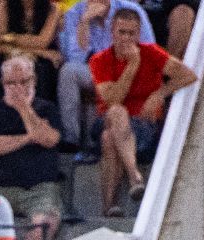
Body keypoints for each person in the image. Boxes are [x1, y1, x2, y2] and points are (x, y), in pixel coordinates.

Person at [89, 8, 197, 215]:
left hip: (143, 125)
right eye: (122, 32)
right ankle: (134, 175)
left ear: (139, 34)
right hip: (108, 117)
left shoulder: (151, 52)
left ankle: (108, 207)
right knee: (117, 112)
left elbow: (188, 75)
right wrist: (133, 65)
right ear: (112, 32)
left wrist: (160, 94)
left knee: (109, 138)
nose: (126, 38)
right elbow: (113, 99)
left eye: (132, 33)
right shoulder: (99, 60)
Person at [0, 55, 62, 240]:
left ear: (34, 81)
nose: (18, 87)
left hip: (39, 188)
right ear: (3, 83)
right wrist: (28, 138)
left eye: (24, 82)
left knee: (45, 223)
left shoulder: (47, 109)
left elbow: (50, 139)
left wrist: (24, 109)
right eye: (12, 83)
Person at [56, 0, 153, 149]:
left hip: (126, 72)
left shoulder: (131, 10)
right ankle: (71, 139)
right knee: (68, 71)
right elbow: (74, 58)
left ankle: (96, 143)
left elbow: (149, 52)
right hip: (94, 70)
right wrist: (84, 22)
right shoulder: (76, 13)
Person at [0, 0, 61, 102]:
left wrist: (9, 38)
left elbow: (42, 42)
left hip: (42, 61)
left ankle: (38, 113)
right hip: (11, 56)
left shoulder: (53, 9)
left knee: (41, 71)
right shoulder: (4, 6)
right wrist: (41, 52)